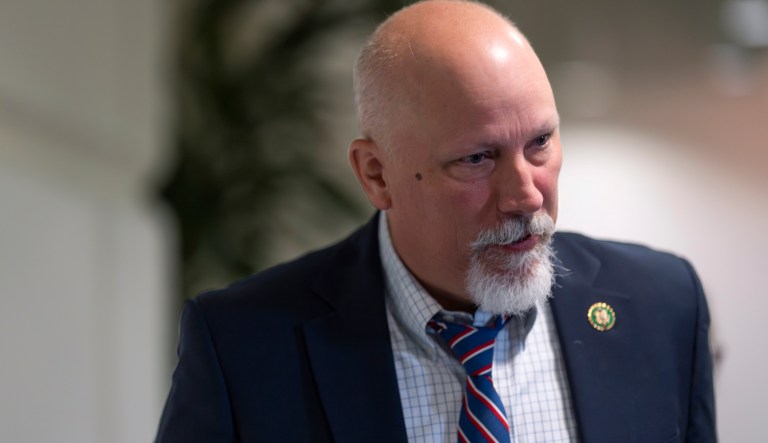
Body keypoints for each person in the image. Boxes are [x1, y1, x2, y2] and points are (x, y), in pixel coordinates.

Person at [156, 1, 717, 442]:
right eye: (477, 158)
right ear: (377, 174)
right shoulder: (243, 347)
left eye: (540, 142)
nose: (525, 195)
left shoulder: (663, 306)